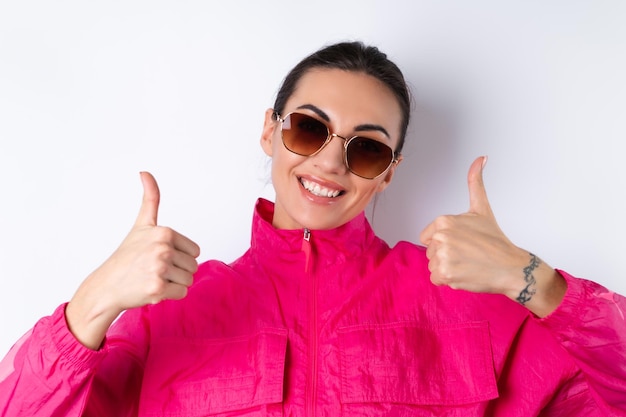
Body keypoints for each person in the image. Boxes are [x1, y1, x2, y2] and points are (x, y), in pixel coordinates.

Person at [1, 41, 625, 417]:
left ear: (387, 175)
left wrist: (533, 282)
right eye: (309, 128)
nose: (330, 162)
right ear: (271, 131)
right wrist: (93, 302)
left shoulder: (469, 303)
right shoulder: (170, 312)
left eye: (366, 150)